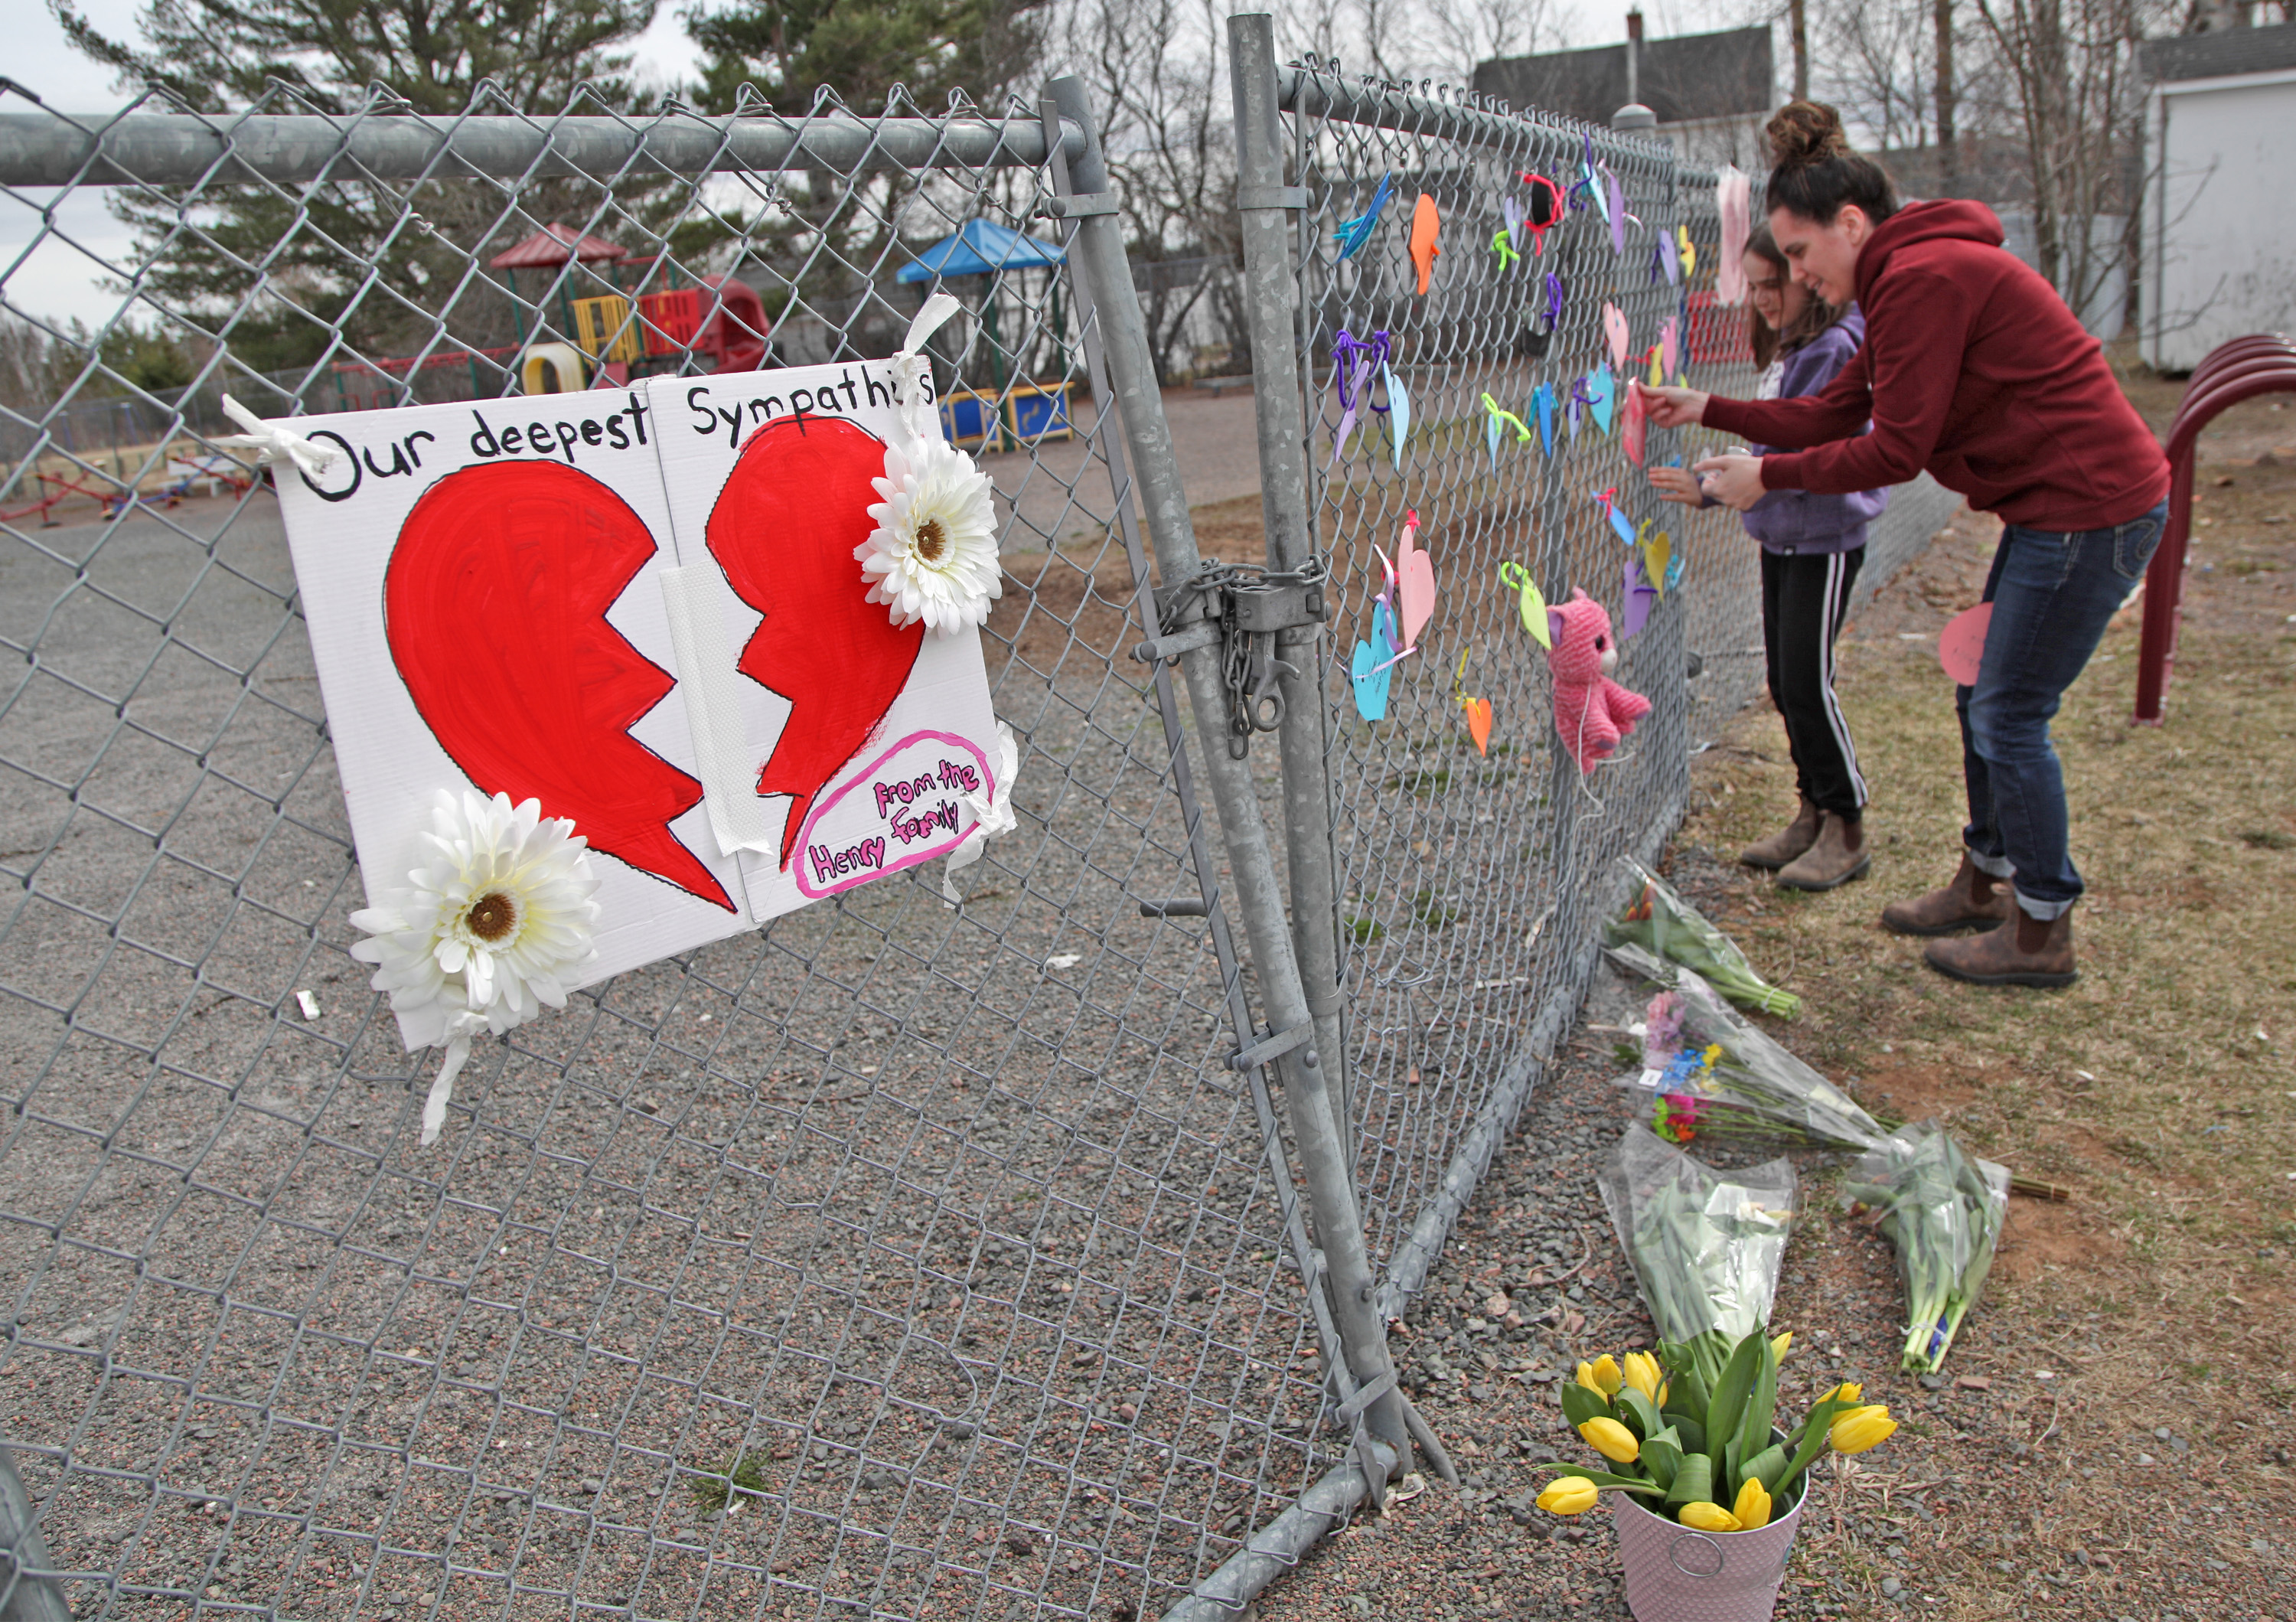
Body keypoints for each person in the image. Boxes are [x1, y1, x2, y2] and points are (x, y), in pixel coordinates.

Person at [1642, 102, 2169, 990]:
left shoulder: (1922, 280)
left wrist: (1768, 478)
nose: (1799, 275)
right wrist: (1711, 408)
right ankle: (1987, 878)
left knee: (2008, 713)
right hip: (2055, 510)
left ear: (1851, 226)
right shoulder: (1903, 280)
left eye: (1801, 254)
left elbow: (1897, 447)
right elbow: (1833, 409)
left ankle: (2042, 927)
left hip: (2091, 511)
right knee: (1983, 698)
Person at [1650, 220, 1887, 891]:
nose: (1761, 299)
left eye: (1771, 283)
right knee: (1785, 682)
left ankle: (1847, 821)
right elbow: (1770, 453)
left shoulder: (1834, 349)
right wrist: (1714, 492)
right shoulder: (1791, 350)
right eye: (1751, 287)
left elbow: (1808, 450)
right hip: (1781, 531)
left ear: (1806, 277)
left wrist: (1725, 486)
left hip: (1824, 537)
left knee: (1809, 681)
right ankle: (1811, 809)